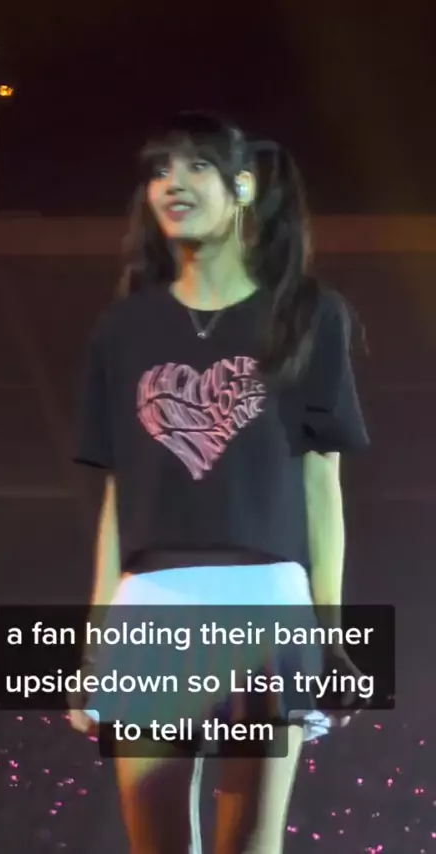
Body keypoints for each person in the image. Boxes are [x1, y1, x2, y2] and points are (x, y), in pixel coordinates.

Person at [68, 111, 369, 854]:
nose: (172, 183)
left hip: (266, 599)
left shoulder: (307, 316)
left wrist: (330, 627)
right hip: (153, 600)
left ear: (243, 187)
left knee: (250, 844)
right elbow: (118, 498)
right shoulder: (123, 329)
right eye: (158, 170)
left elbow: (321, 487)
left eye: (195, 165)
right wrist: (95, 633)